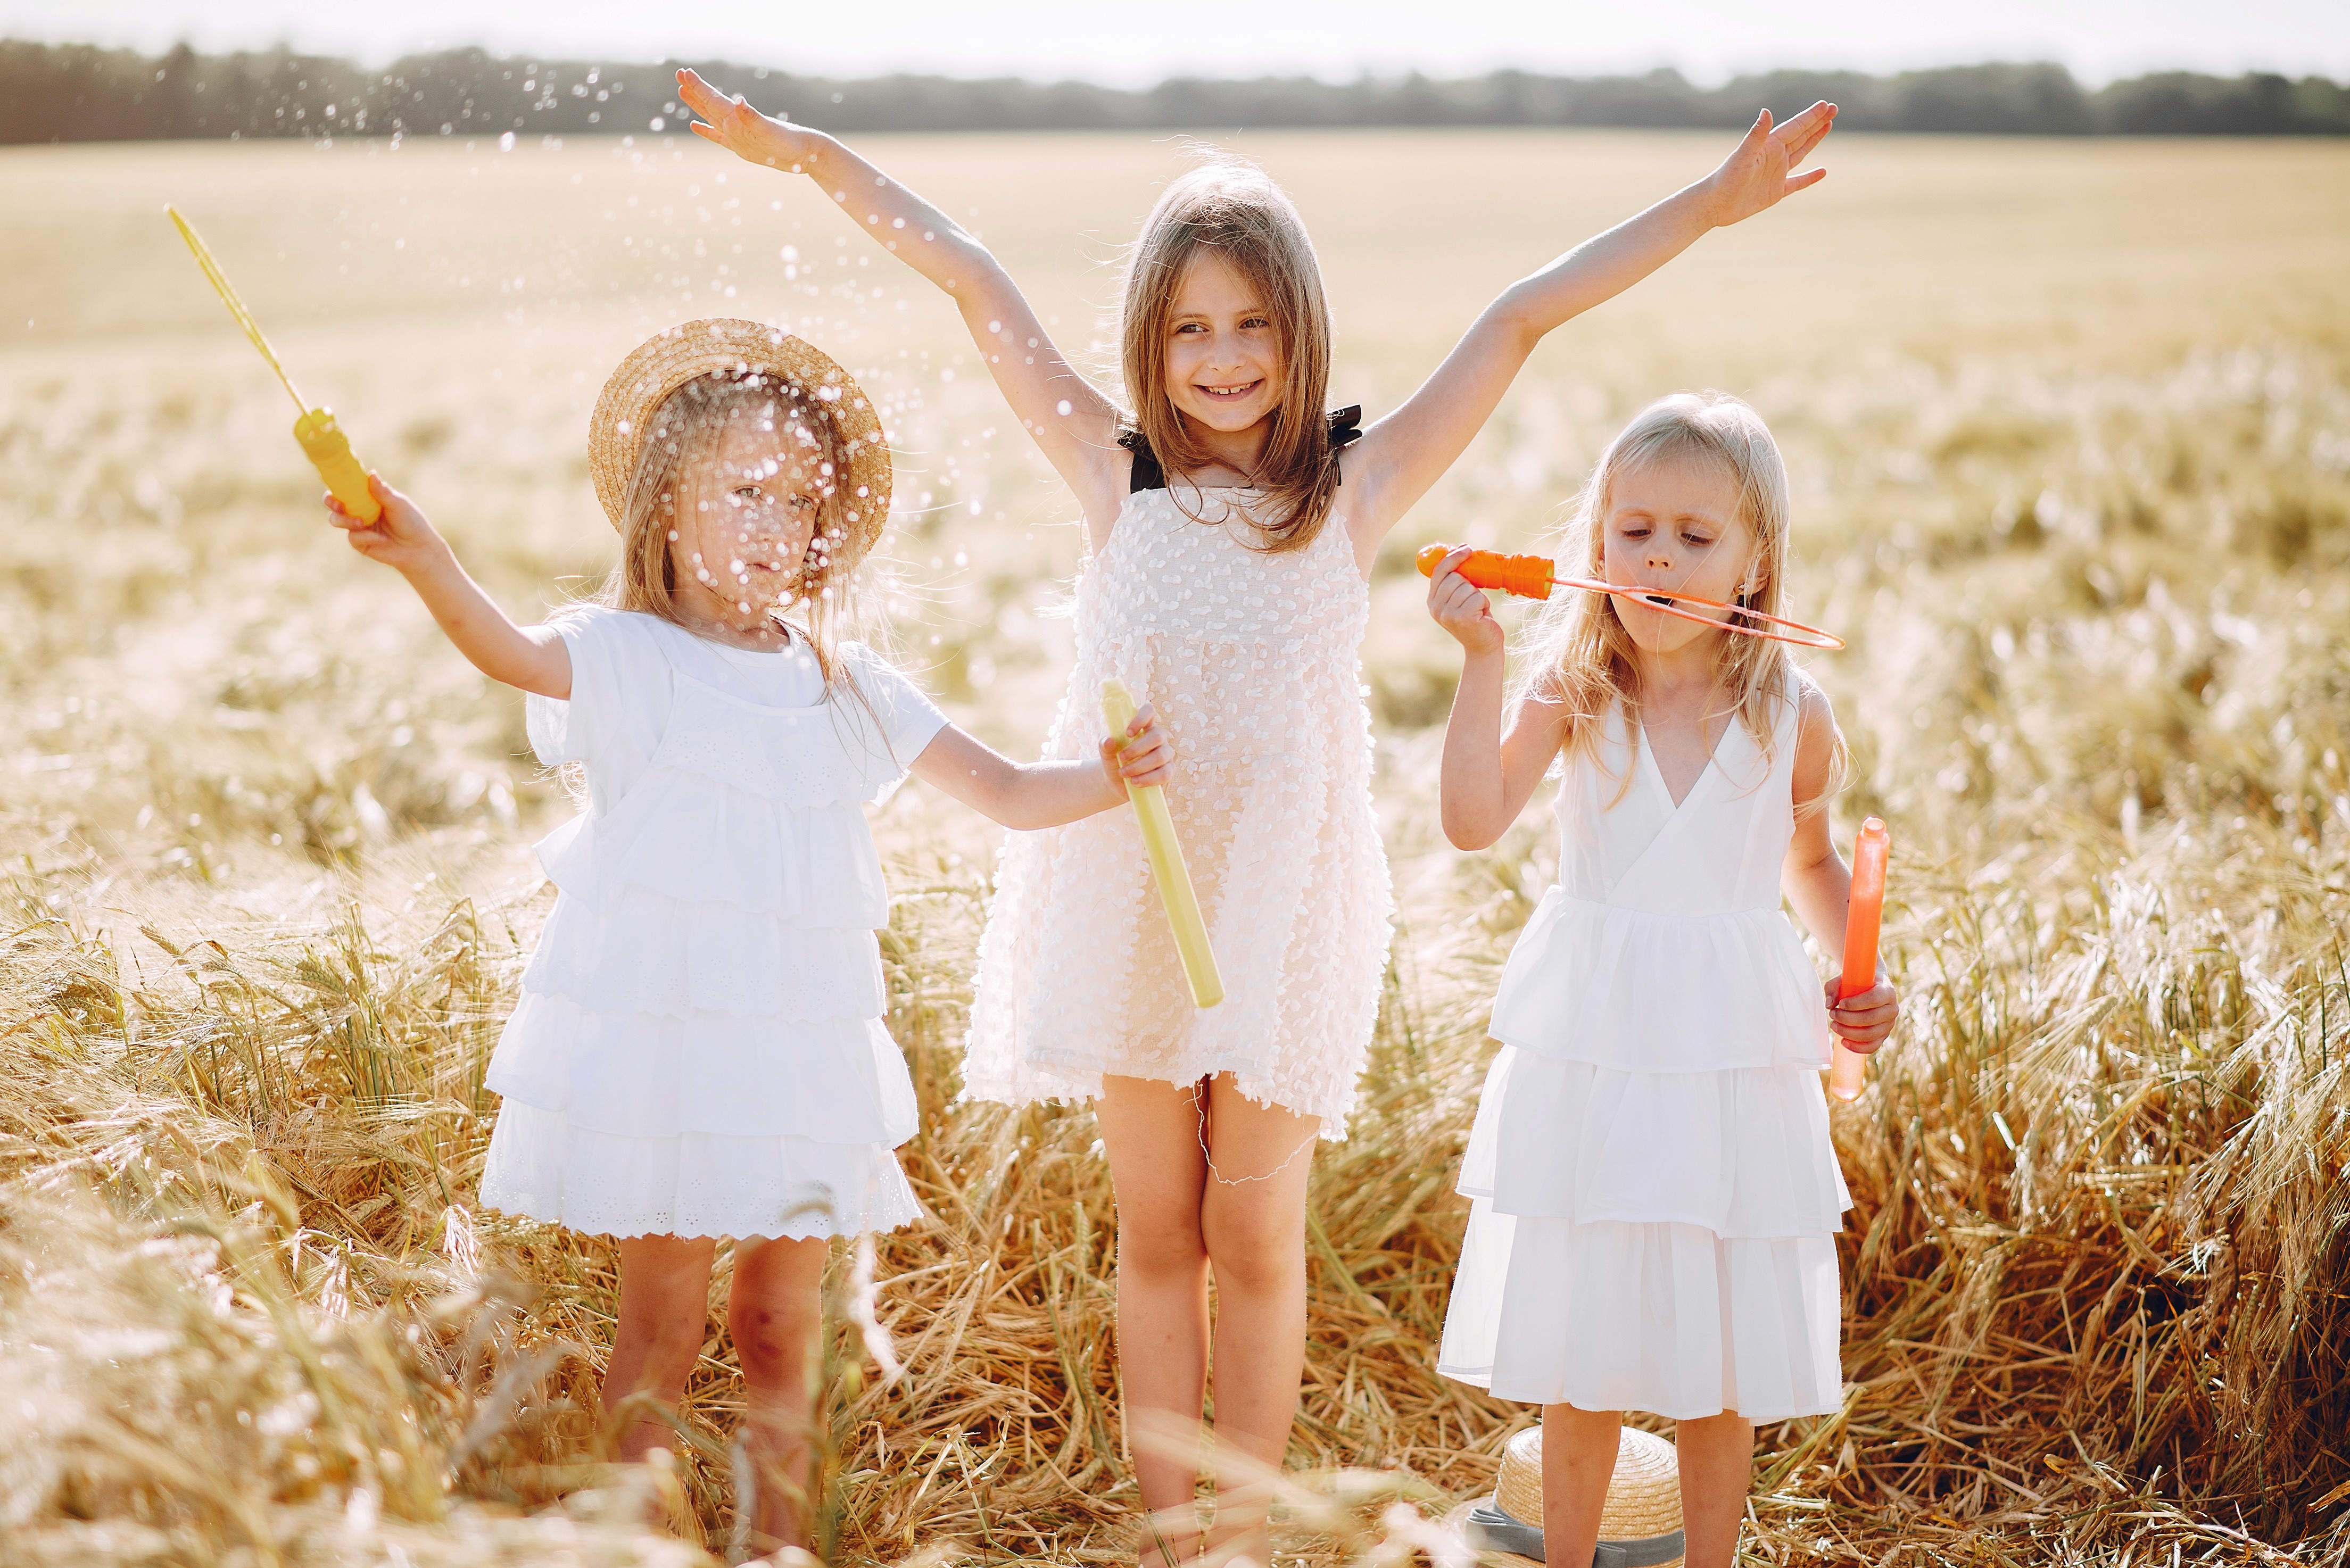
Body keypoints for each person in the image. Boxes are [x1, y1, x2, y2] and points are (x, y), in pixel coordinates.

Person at [676, 68, 1835, 1566]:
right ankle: (1178, 1541)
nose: (1224, 359)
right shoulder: (1117, 477)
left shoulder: (1355, 488)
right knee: (1158, 1234)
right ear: (1151, 344)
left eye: (1254, 325)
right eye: (1190, 329)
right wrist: (811, 155)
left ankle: (1251, 1531)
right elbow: (969, 277)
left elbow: (1525, 312)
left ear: (1301, 332)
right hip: (1132, 890)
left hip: (1288, 905)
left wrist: (1714, 203)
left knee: (1257, 1239)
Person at [322, 318, 1170, 1555]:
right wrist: (425, 558)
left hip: (800, 1048)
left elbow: (1008, 794)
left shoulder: (847, 680)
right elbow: (504, 647)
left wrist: (1110, 774)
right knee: (661, 1328)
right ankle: (635, 1540)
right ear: (668, 504)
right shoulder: (628, 656)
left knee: (785, 1322)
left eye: (803, 502)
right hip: (675, 1050)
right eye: (746, 493)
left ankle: (780, 1543)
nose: (779, 525)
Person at [1424, 393, 1899, 1568]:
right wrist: (1484, 659)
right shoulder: (1574, 690)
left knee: (1716, 1370)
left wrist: (1864, 971)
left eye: (1696, 537)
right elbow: (1474, 819)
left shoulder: (1794, 715)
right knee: (1583, 1362)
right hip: (1597, 1048)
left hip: (1730, 1051)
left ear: (1753, 565)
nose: (1660, 558)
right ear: (1596, 547)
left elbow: (1806, 859)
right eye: (1635, 530)